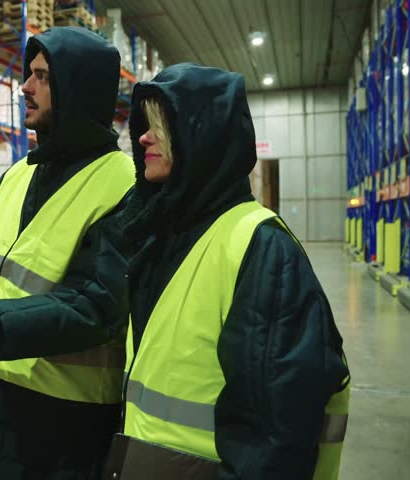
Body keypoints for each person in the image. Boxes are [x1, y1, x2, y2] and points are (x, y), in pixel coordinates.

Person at [104, 63, 351, 480]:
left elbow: (275, 441)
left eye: (159, 125)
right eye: (143, 124)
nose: (142, 137)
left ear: (200, 135)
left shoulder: (260, 250)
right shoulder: (162, 238)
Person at [0, 26, 135, 479]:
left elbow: (99, 306)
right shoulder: (19, 174)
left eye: (42, 77)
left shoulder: (124, 184)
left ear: (79, 88)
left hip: (57, 420)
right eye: (29, 74)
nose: (25, 87)